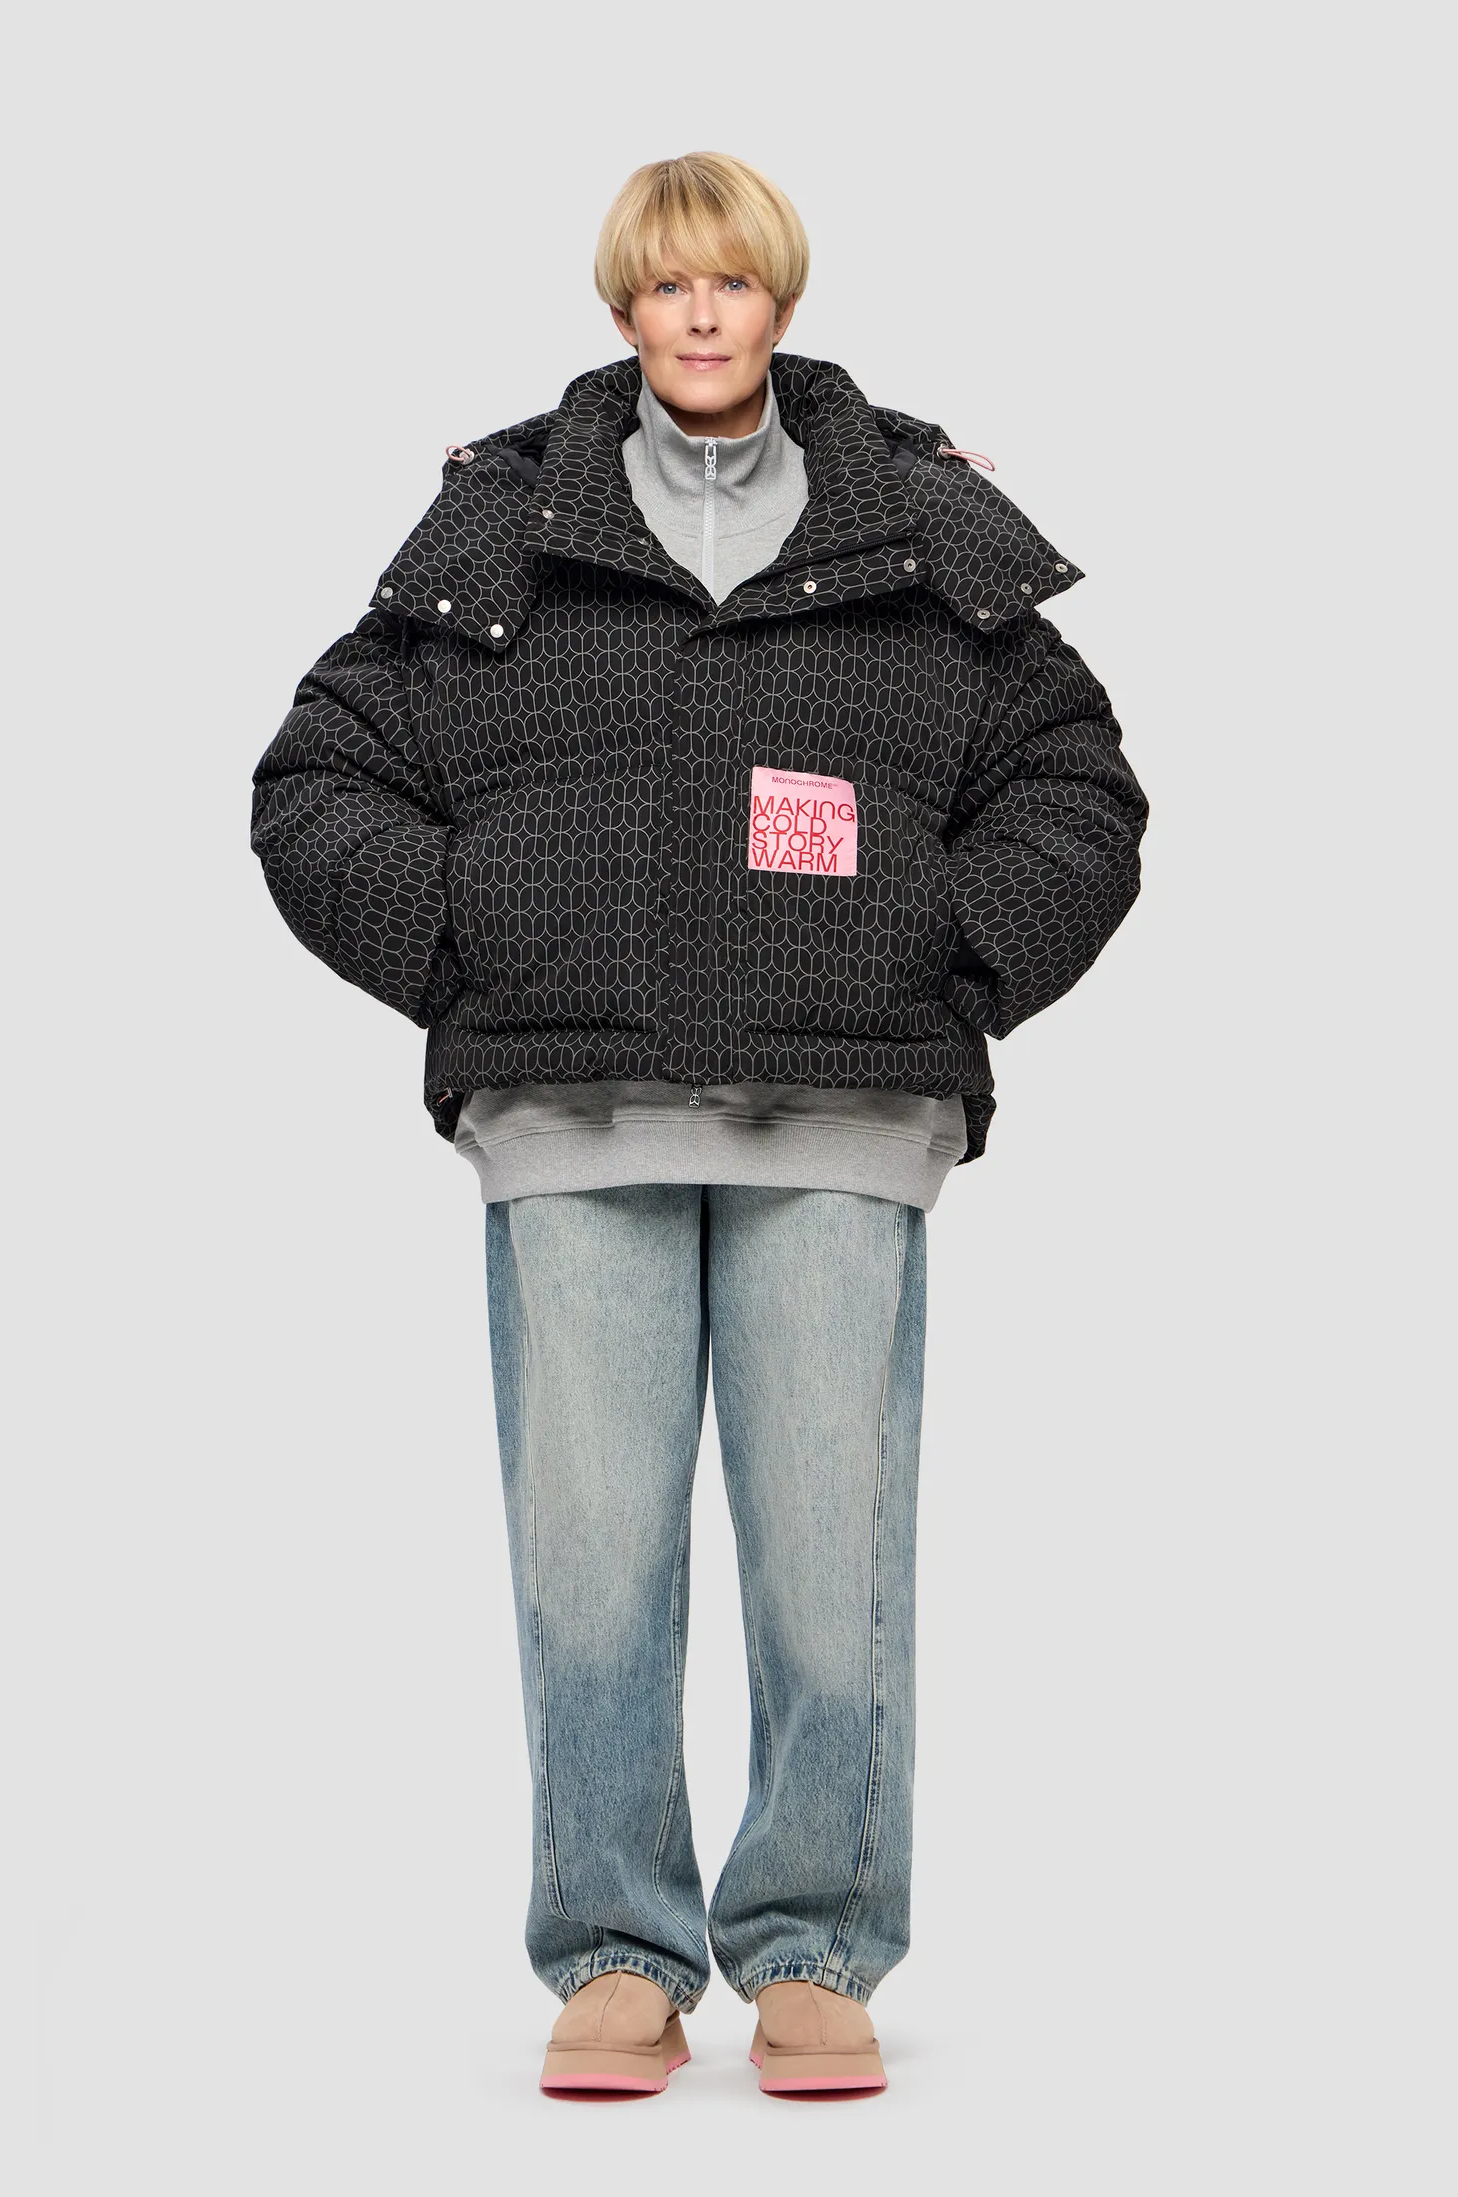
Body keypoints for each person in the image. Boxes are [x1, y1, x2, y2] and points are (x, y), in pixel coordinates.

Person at [250, 151, 1149, 2099]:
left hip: (843, 1109)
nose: (703, 312)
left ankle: (815, 1943)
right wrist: (475, 937)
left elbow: (1072, 779)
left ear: (778, 298)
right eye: (668, 284)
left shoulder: (919, 520)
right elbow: (322, 775)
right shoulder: (501, 524)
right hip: (573, 1108)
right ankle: (615, 1952)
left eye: (731, 279)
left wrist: (945, 948)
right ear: (626, 309)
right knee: (590, 1566)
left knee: (834, 1565)